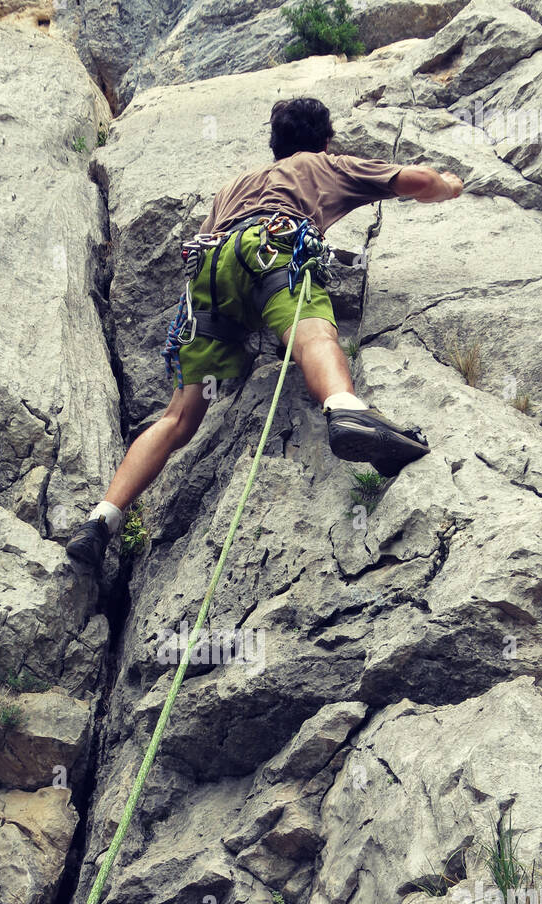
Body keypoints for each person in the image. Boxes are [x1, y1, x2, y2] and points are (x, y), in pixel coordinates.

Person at [66, 96, 463, 567]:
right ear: (325, 140)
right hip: (273, 247)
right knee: (313, 338)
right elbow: (417, 181)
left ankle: (101, 520)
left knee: (178, 418)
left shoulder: (235, 184)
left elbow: (198, 247)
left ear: (275, 144)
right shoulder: (324, 164)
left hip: (211, 271)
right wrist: (451, 185)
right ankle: (345, 408)